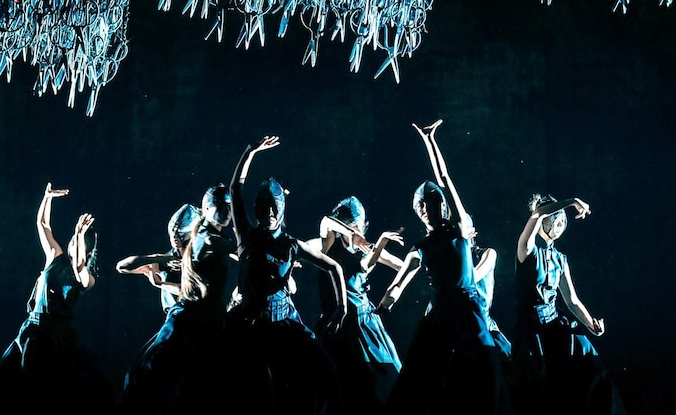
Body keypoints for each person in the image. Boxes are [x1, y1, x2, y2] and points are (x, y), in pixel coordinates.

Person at [199, 135, 348, 415]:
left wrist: (342, 307)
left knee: (323, 367)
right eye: (263, 206)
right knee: (218, 375)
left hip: (283, 323)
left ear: (280, 209)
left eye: (273, 207)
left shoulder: (292, 245)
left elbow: (334, 267)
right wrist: (250, 150)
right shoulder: (247, 237)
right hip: (248, 324)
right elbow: (235, 187)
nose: (268, 212)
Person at [376, 120, 510, 415]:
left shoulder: (461, 230)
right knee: (417, 376)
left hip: (467, 311)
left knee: (487, 370)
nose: (426, 208)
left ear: (442, 205)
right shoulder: (421, 247)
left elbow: (445, 178)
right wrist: (384, 306)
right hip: (439, 315)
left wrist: (429, 140)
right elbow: (399, 283)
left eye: (431, 202)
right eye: (420, 205)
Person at [0, 182, 112, 415]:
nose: (72, 242)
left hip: (51, 336)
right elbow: (43, 225)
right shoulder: (55, 258)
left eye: (77, 241)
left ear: (88, 251)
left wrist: (80, 234)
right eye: (73, 239)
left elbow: (80, 264)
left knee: (36, 395)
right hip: (29, 330)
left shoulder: (86, 278)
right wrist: (47, 198)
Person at [512, 194, 626, 415]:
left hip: (555, 326)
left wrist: (592, 324)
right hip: (531, 331)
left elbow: (572, 301)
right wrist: (572, 201)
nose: (560, 222)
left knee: (586, 359)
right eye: (555, 216)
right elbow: (538, 213)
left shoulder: (560, 259)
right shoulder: (527, 249)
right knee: (537, 389)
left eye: (563, 219)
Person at [310, 195, 406, 413]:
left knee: (384, 382)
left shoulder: (369, 250)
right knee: (338, 389)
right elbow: (325, 221)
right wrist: (348, 232)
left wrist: (394, 292)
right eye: (348, 225)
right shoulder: (328, 244)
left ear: (365, 226)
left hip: (366, 325)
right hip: (337, 326)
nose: (354, 231)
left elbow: (403, 266)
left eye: (357, 226)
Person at [115, 202, 200, 414]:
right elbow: (122, 267)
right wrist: (158, 259)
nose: (178, 247)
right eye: (175, 242)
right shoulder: (168, 259)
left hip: (193, 325)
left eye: (181, 241)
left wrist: (163, 284)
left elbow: (194, 293)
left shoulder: (200, 259)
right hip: (172, 324)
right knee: (138, 375)